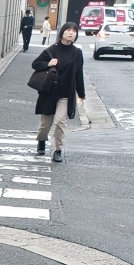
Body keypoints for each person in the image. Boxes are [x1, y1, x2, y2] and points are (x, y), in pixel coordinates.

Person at [31, 22, 85, 161]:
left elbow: (79, 74)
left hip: (66, 94)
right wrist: (48, 64)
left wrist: (81, 94)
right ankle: (41, 141)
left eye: (74, 31)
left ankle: (58, 150)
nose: (71, 33)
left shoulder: (77, 53)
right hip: (49, 93)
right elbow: (35, 64)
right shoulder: (52, 50)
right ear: (62, 32)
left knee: (60, 122)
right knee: (45, 124)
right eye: (68, 30)